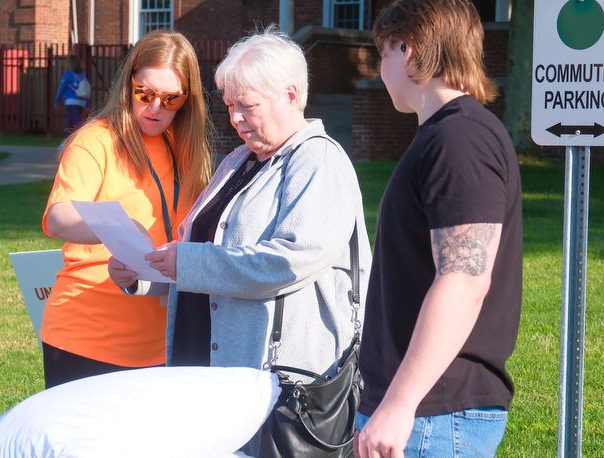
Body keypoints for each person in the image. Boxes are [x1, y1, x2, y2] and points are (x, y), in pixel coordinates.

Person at [110, 24, 371, 406]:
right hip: (207, 367)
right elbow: (204, 254)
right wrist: (146, 273)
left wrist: (186, 260)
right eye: (229, 105)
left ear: (291, 95)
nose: (234, 118)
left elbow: (289, 261)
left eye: (247, 105)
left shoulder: (320, 160)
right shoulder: (237, 161)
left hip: (282, 388)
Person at [353, 1, 523, 457]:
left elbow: (464, 279)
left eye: (383, 53)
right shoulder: (444, 134)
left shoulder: (460, 138)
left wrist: (400, 404)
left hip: (434, 417)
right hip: (424, 415)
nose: (380, 67)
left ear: (407, 48)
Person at [41, 29, 213, 389]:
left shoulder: (187, 153)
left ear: (188, 100)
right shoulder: (96, 140)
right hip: (86, 336)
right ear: (128, 84)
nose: (155, 108)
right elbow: (57, 217)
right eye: (145, 94)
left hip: (163, 343)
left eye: (171, 99)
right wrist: (117, 228)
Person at [54, 54, 90, 136]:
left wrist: (57, 100)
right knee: (70, 121)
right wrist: (87, 103)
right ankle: (65, 141)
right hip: (81, 101)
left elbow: (61, 88)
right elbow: (86, 88)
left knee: (77, 121)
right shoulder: (82, 75)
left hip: (71, 101)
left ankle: (85, 136)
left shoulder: (68, 74)